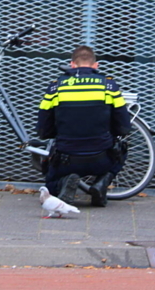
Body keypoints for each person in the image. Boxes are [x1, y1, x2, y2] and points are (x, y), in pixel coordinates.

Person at [36, 45, 131, 207]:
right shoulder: (109, 86)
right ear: (96, 65)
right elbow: (123, 127)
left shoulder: (55, 87)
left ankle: (64, 182)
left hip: (66, 159)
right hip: (101, 157)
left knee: (50, 182)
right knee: (122, 149)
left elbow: (43, 130)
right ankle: (101, 183)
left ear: (72, 64)